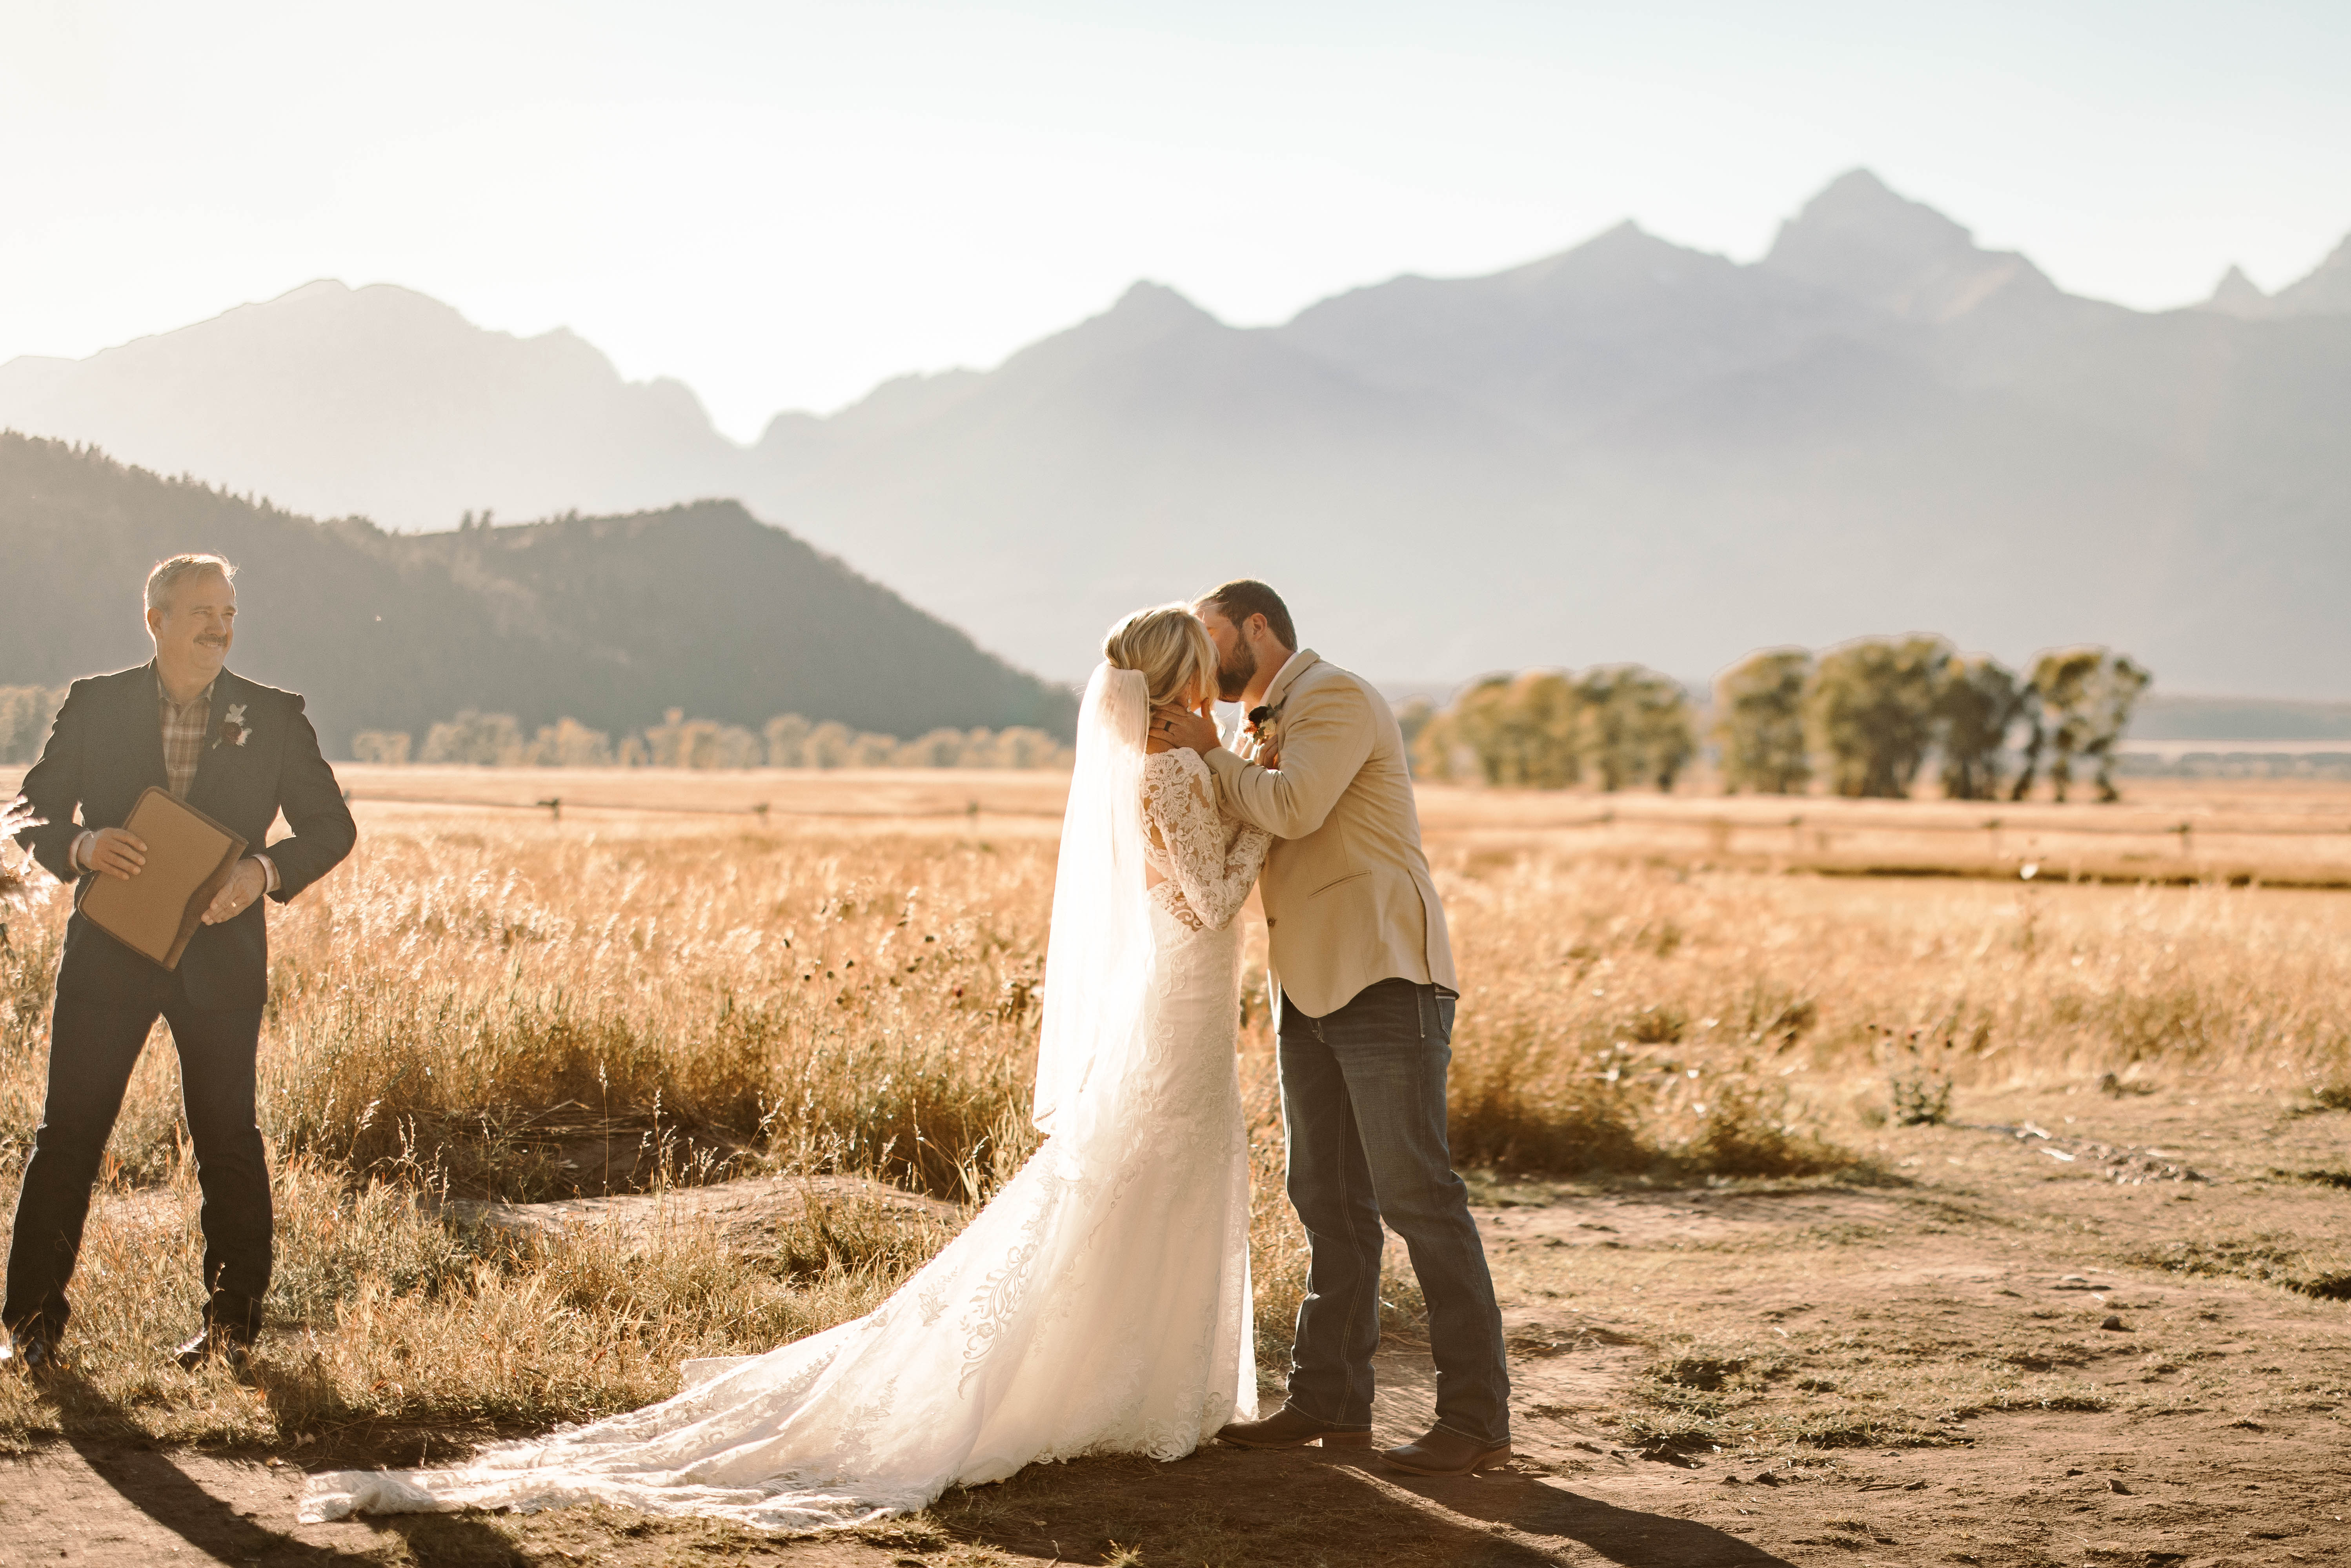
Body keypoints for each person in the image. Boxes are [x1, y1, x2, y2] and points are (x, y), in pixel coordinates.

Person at [301, 603, 1271, 1530]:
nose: (1212, 686)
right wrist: (1270, 815)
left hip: (1170, 997)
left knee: (1140, 1179)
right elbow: (1216, 898)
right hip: (1180, 1001)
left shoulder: (1154, 767)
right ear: (1178, 679)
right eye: (1199, 670)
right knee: (1163, 1173)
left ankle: (1129, 1381)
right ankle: (1146, 1389)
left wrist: (1233, 772)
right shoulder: (1173, 776)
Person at [1155, 578, 1510, 1477]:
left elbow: (1295, 808)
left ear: (1258, 627)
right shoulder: (1252, 728)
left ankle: (1476, 1419)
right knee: (1328, 1202)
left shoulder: (1337, 697)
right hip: (1306, 985)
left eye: (1212, 634)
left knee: (1418, 1198)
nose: (1206, 655)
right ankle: (1327, 1403)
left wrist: (1209, 752)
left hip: (1386, 975)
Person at [3, 553, 357, 1375]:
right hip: (109, 954)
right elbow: (31, 814)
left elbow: (330, 827)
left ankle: (231, 1330)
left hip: (222, 963)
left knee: (228, 1141)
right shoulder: (95, 704)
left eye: (228, 609)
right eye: (201, 608)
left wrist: (260, 873)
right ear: (155, 618)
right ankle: (28, 1330)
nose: (219, 624)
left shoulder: (274, 715)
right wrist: (82, 845)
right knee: (69, 1139)